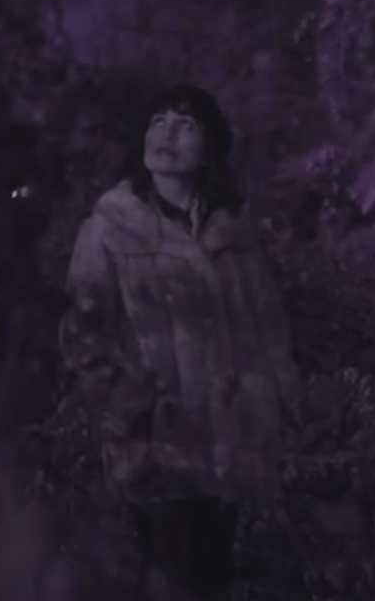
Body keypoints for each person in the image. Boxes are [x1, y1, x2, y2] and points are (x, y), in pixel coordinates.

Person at [59, 84, 298, 600]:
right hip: (157, 454)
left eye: (185, 125)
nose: (166, 134)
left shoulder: (233, 236)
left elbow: (268, 334)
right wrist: (135, 412)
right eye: (157, 121)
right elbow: (84, 337)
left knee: (215, 583)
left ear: (208, 150)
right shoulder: (108, 230)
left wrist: (275, 417)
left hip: (233, 452)